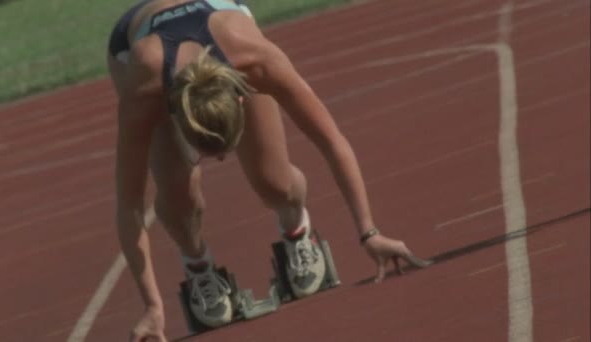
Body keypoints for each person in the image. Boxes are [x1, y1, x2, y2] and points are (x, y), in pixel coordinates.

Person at [107, 0, 430, 340]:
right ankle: (198, 265)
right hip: (136, 43)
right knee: (178, 196)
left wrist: (369, 232)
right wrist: (153, 306)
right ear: (178, 116)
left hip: (216, 18)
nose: (219, 161)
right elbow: (129, 204)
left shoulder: (255, 59)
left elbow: (332, 141)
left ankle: (296, 230)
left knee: (273, 181)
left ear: (242, 99)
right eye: (204, 151)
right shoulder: (145, 90)